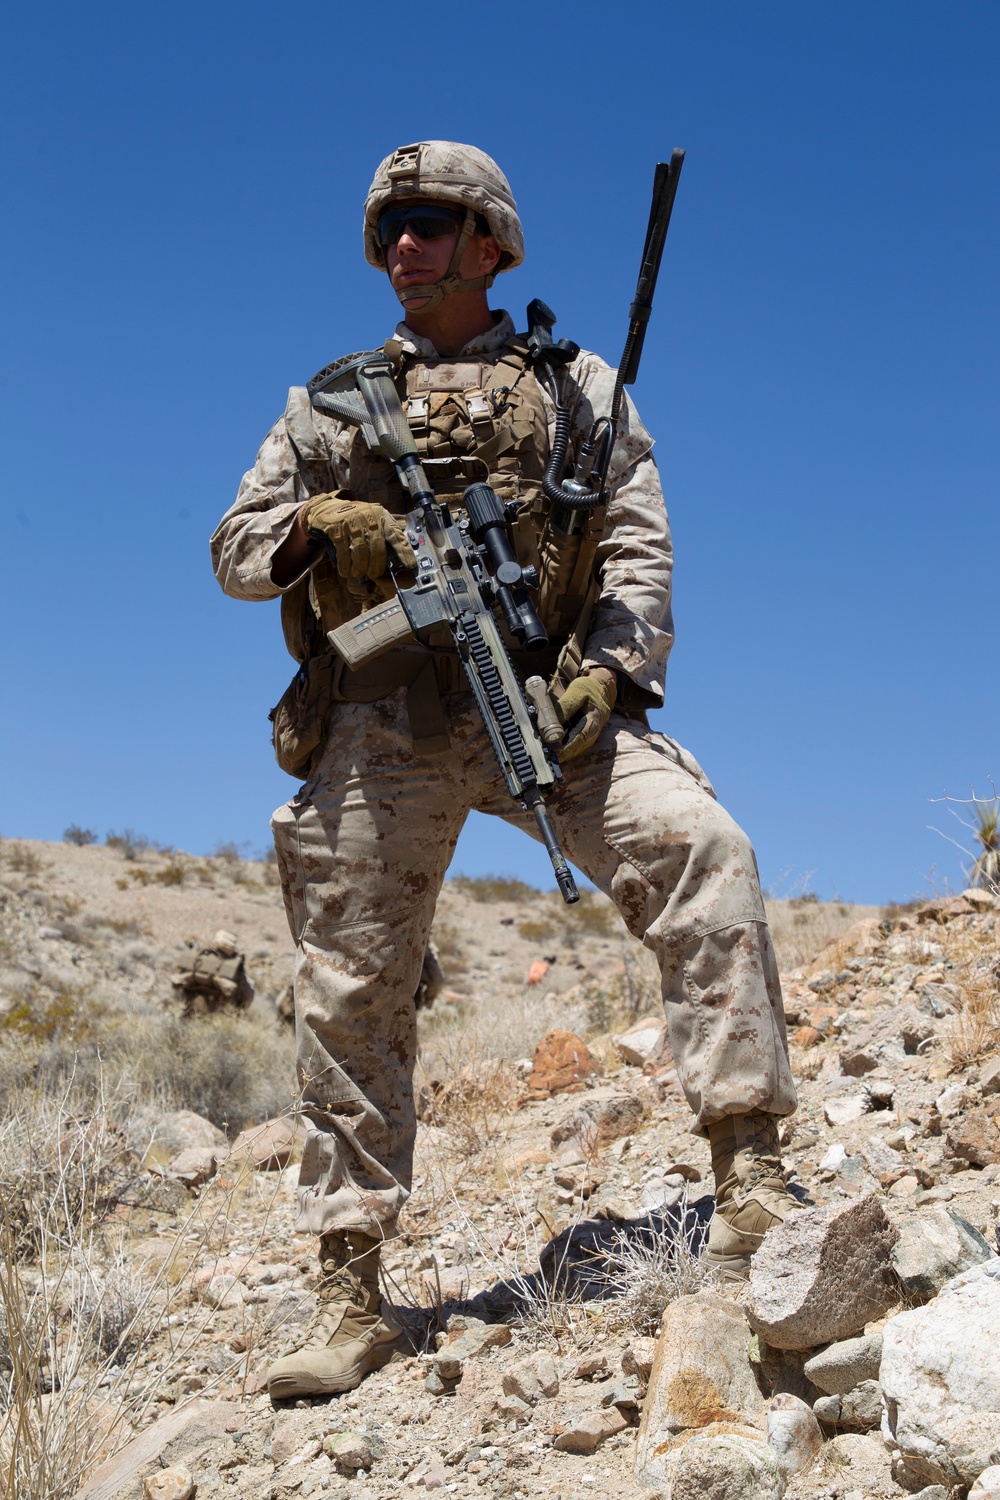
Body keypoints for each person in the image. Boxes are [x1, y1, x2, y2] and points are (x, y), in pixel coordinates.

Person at [211, 141, 798, 1400]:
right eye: (387, 232)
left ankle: (750, 1171)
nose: (401, 248)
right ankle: (348, 1283)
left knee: (705, 853)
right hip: (378, 723)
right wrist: (321, 524)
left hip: (545, 702)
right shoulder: (326, 402)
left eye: (427, 224)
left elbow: (635, 541)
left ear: (488, 243)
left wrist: (614, 673)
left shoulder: (577, 384)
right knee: (353, 989)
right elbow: (235, 548)